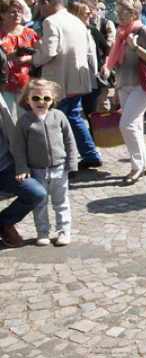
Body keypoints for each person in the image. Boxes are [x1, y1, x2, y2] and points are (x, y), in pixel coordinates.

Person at [32, 0, 102, 171]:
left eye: (40, 6)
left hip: (59, 81)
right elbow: (88, 49)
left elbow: (49, 52)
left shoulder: (51, 21)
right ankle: (90, 154)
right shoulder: (76, 20)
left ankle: (64, 162)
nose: (40, 10)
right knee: (74, 118)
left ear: (46, 3)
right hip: (76, 79)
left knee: (57, 123)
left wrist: (33, 59)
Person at [98, 0, 146, 184]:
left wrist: (135, 48)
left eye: (122, 12)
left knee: (126, 125)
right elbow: (119, 64)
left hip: (142, 85)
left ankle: (136, 166)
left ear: (134, 14)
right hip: (124, 85)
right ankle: (144, 163)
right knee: (135, 126)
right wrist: (117, 88)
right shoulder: (122, 33)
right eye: (117, 11)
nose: (118, 15)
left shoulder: (143, 32)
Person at [12, 79, 77, 246]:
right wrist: (22, 167)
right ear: (27, 100)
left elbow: (69, 140)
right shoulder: (24, 121)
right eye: (36, 98)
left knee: (61, 201)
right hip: (36, 170)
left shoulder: (59, 116)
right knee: (40, 203)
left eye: (46, 98)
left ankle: (64, 230)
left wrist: (71, 163)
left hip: (59, 168)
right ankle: (42, 231)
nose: (41, 102)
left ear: (52, 100)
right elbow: (18, 147)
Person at [0, 54, 48, 249]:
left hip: (4, 166)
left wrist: (21, 163)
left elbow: (13, 134)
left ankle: (4, 222)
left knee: (36, 193)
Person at [0, 0, 40, 116]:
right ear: (1, 15)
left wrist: (27, 59)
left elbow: (43, 56)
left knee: (26, 119)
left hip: (26, 84)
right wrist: (9, 56)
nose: (17, 15)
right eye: (12, 12)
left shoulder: (30, 33)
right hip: (4, 85)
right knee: (4, 120)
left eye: (19, 11)